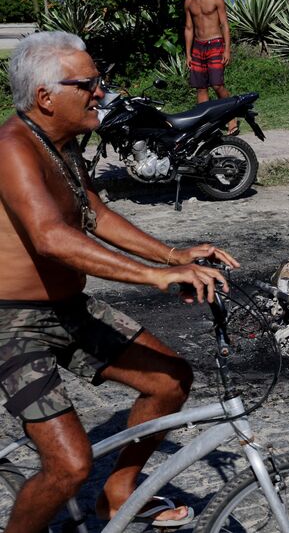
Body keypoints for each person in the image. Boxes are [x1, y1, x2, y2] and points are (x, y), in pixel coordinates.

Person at [0, 31, 237, 531]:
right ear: (45, 97)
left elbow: (97, 215)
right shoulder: (13, 148)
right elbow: (50, 238)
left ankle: (118, 493)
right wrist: (155, 275)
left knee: (170, 380)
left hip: (69, 309)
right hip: (11, 324)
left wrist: (173, 253)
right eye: (87, 84)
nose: (100, 92)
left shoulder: (59, 145)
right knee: (68, 466)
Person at [184, 0, 235, 134]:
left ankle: (232, 118)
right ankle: (205, 125)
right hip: (198, 46)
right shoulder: (189, 2)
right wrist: (188, 54)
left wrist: (227, 50)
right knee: (201, 87)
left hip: (215, 43)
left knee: (217, 84)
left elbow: (225, 25)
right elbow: (189, 28)